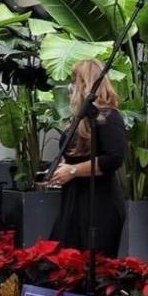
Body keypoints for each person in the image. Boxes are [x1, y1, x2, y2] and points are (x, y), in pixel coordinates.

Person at [47, 59, 126, 257]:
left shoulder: (108, 117)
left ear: (84, 84)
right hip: (73, 201)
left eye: (73, 81)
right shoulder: (79, 120)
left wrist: (73, 171)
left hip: (98, 203)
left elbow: (114, 158)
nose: (69, 87)